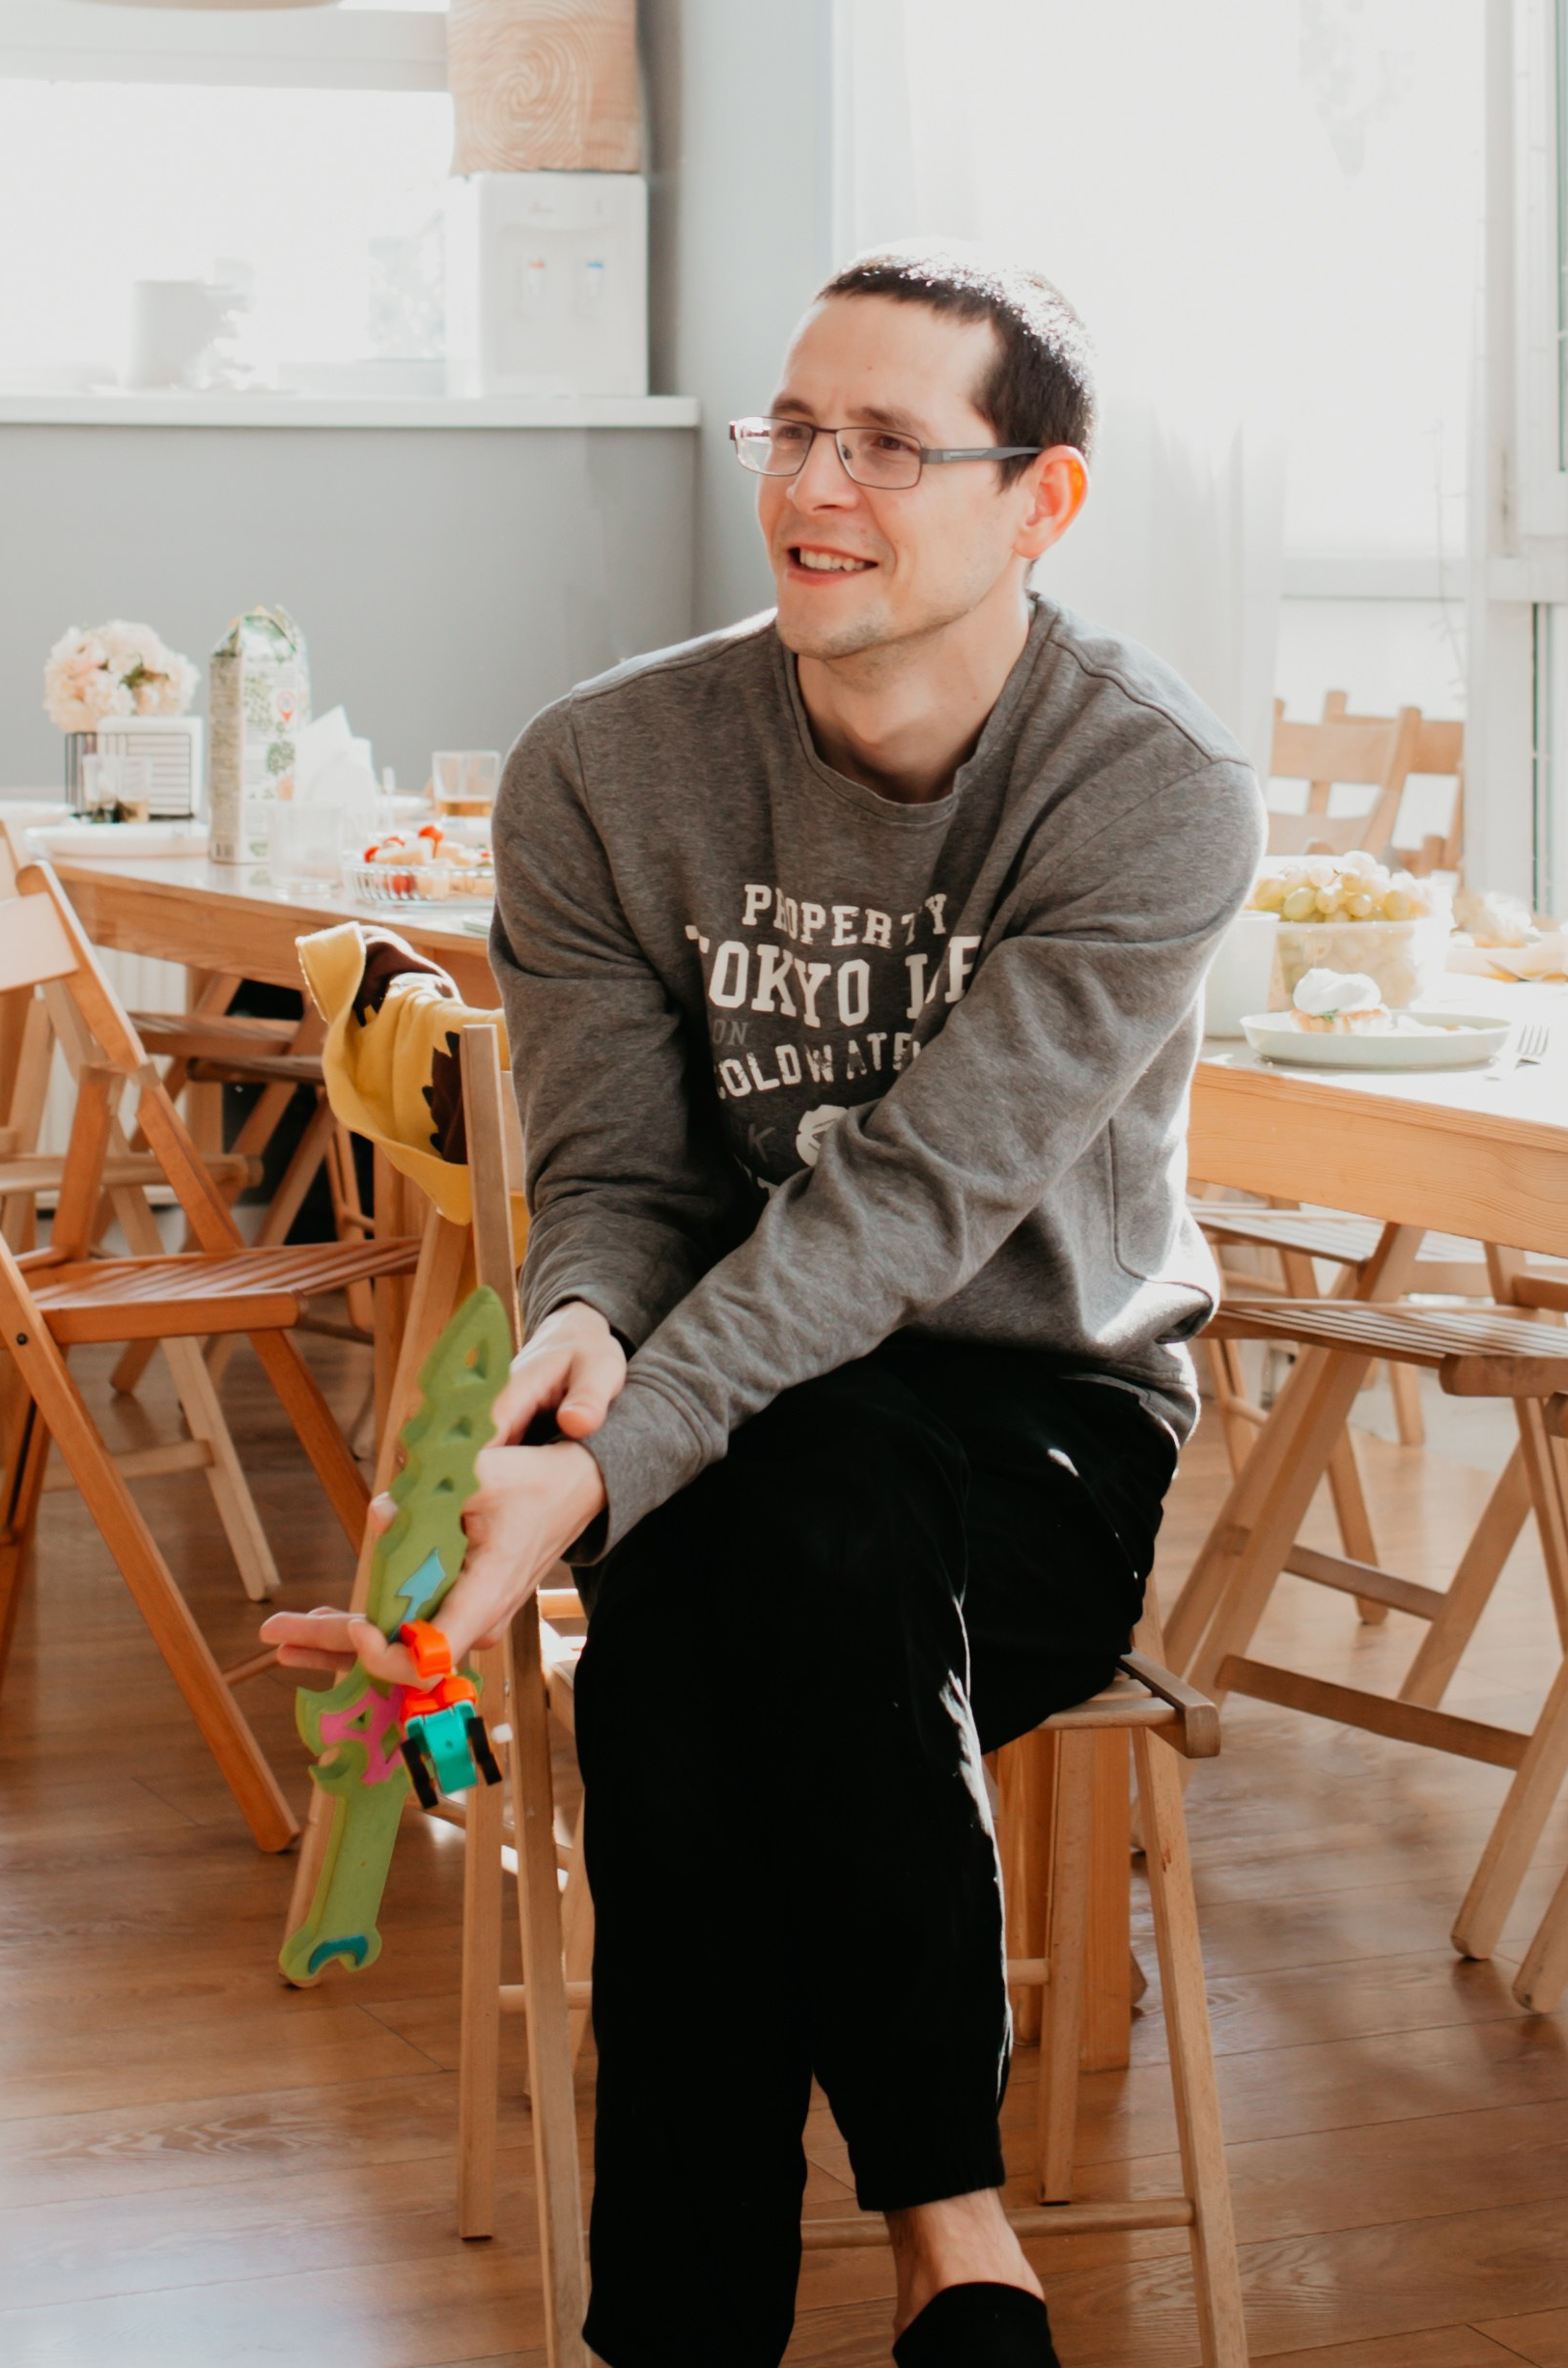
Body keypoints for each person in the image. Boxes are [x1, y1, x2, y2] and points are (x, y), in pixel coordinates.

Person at [265, 244, 1264, 2368]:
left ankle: (684, 2327)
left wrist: (607, 1473)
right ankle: (950, 2231)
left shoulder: (1142, 783)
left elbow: (908, 1203)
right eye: (794, 427)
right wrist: (571, 1363)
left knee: (740, 1570)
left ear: (1040, 501)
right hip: (729, 1414)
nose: (815, 478)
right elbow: (624, 1179)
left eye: (890, 442)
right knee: (759, 1547)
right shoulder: (604, 768)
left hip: (1041, 1418)